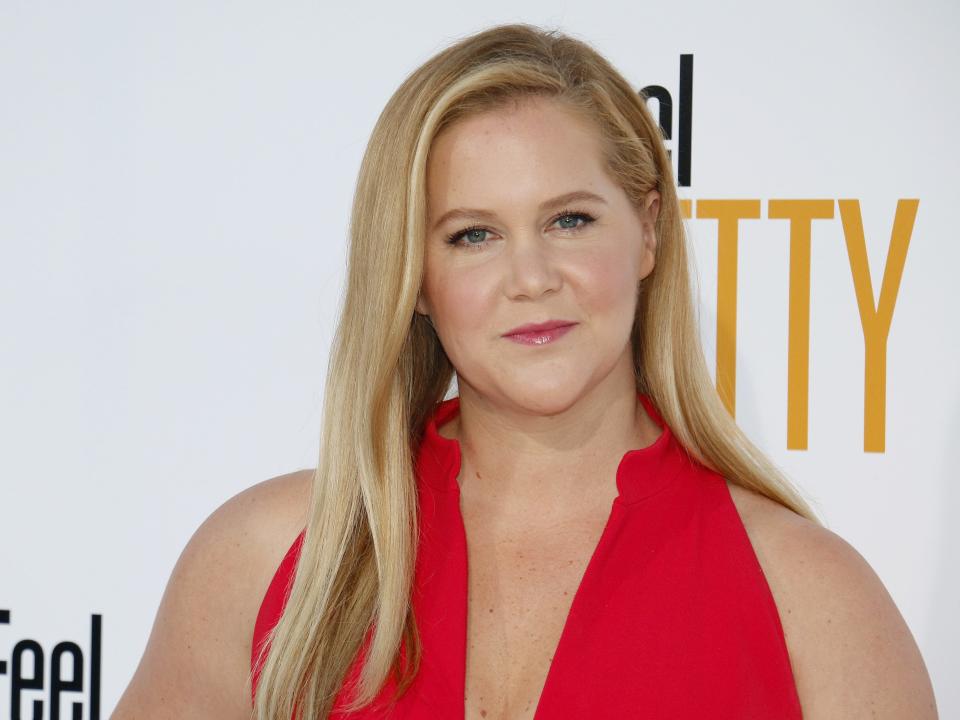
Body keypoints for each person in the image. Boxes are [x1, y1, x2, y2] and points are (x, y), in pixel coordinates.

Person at [112, 22, 938, 720]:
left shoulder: (811, 601)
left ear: (648, 232)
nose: (532, 277)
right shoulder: (271, 560)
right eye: (473, 234)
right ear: (415, 278)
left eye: (570, 219)